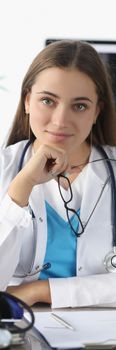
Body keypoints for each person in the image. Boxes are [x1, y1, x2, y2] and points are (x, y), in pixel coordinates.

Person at [0, 40, 116, 309]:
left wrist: (39, 291)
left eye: (80, 106)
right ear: (27, 101)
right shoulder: (6, 168)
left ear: (97, 111)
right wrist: (22, 186)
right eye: (47, 101)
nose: (61, 120)